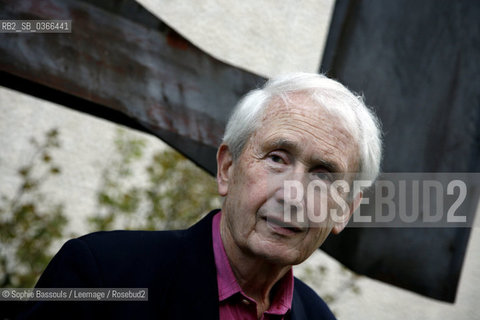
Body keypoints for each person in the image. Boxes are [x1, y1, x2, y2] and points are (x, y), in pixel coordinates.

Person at [19, 73, 382, 319]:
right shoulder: (102, 275)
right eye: (276, 158)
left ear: (344, 211)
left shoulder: (319, 317)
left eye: (323, 175)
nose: (293, 195)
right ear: (227, 169)